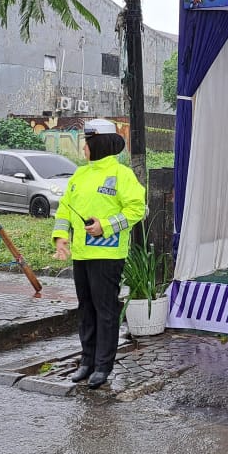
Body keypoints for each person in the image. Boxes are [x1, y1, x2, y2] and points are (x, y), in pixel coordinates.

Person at [53, 118, 146, 389]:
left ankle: (103, 365)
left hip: (107, 254)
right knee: (86, 308)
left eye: (87, 143)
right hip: (81, 254)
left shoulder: (122, 175)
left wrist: (104, 226)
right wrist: (60, 237)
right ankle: (87, 361)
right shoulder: (79, 175)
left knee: (105, 310)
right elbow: (65, 209)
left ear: (100, 144)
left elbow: (135, 210)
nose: (84, 149)